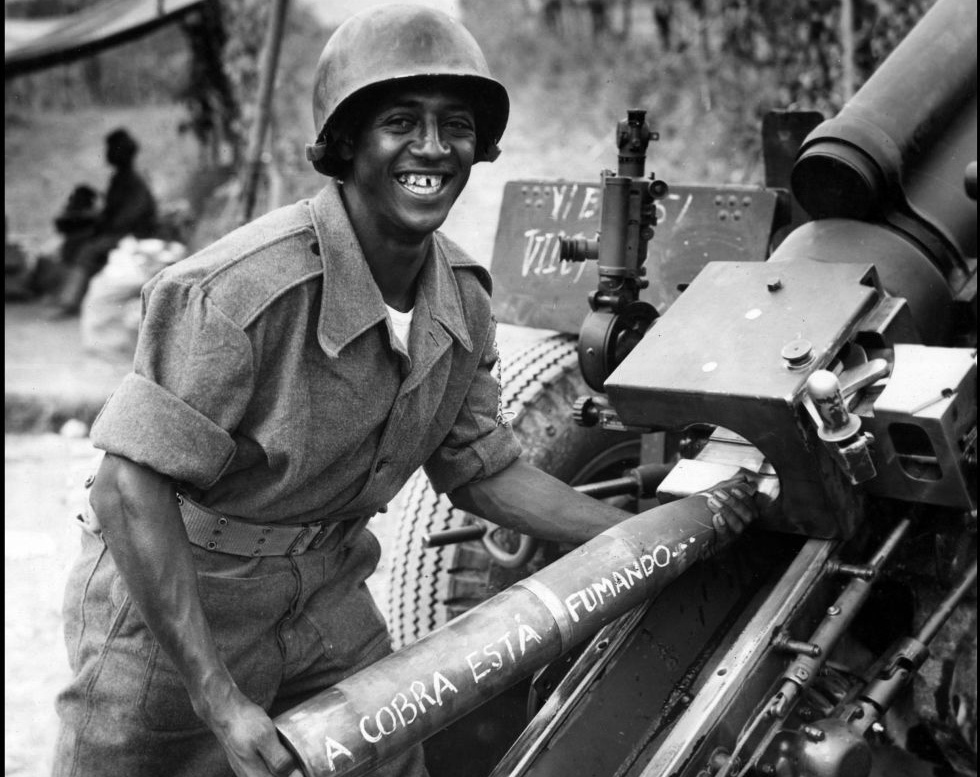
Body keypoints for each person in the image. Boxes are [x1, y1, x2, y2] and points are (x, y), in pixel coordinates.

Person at [52, 6, 758, 777]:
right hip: (184, 594)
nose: (432, 147)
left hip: (328, 589)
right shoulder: (237, 293)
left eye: (455, 124)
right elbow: (129, 487)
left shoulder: (462, 299)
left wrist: (647, 538)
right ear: (347, 142)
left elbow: (481, 471)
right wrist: (216, 697)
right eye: (400, 120)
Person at [53, 127, 157, 316]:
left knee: (88, 250)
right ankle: (73, 295)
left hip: (134, 235)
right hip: (117, 232)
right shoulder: (118, 179)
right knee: (74, 242)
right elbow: (110, 212)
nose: (108, 153)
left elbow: (127, 218)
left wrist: (101, 226)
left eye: (111, 149)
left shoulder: (133, 182)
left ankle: (68, 303)